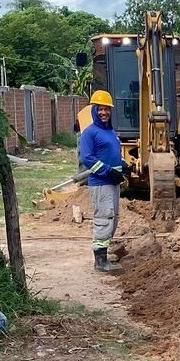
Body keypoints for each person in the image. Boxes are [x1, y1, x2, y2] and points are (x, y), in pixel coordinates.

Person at [79, 90, 127, 272]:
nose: (103, 113)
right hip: (101, 183)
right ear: (94, 110)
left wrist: (123, 165)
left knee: (112, 219)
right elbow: (88, 158)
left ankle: (104, 255)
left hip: (112, 183)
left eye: (106, 109)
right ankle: (100, 261)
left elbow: (114, 155)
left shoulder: (110, 132)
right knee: (104, 218)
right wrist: (108, 171)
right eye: (100, 109)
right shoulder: (90, 133)